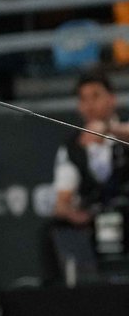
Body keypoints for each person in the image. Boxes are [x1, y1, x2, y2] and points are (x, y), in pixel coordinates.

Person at [53, 69, 129, 227]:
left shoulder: (122, 130)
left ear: (112, 99)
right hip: (95, 222)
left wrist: (107, 129)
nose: (89, 105)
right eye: (83, 99)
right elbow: (62, 201)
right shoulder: (72, 147)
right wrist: (71, 213)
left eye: (95, 96)